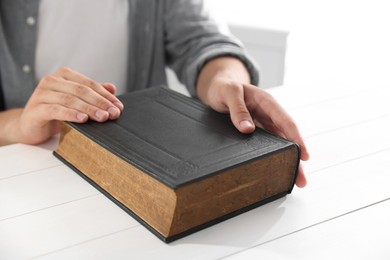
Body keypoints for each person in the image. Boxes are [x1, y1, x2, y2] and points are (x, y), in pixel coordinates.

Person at [0, 0, 309, 187]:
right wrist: (19, 125)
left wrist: (226, 82)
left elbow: (203, 40)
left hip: (137, 171)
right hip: (25, 172)